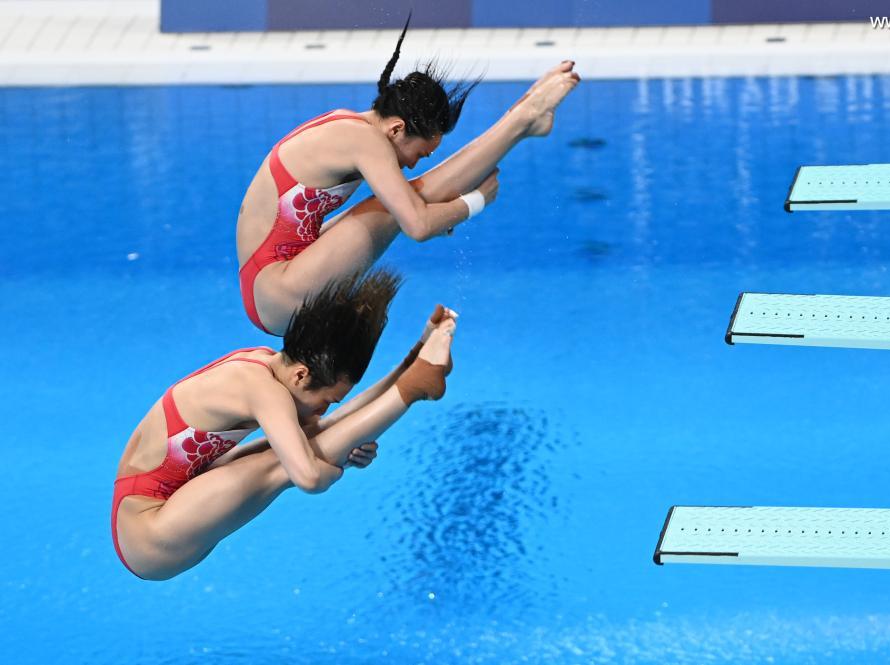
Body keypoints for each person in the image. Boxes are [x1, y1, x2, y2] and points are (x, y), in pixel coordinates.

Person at [236, 19, 580, 334]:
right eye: (419, 153)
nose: (414, 164)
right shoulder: (365, 140)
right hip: (278, 294)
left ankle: (520, 121)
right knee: (401, 206)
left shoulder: (351, 124)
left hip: (275, 278)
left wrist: (438, 210)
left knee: (393, 204)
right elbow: (418, 226)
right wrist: (474, 202)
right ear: (397, 128)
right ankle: (520, 121)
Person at [111, 268, 455, 580]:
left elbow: (325, 428)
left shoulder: (264, 363)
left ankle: (411, 373)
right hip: (150, 538)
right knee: (286, 464)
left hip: (168, 510)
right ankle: (413, 388)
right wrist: (335, 467)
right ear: (302, 375)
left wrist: (405, 366)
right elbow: (308, 479)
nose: (322, 409)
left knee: (309, 441)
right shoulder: (263, 390)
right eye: (325, 399)